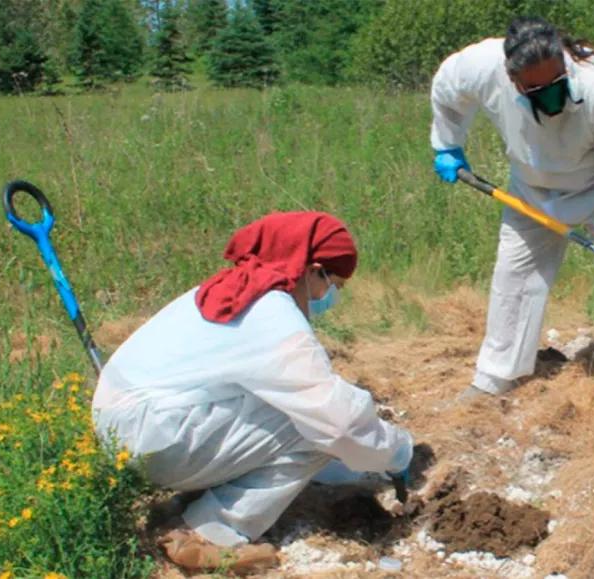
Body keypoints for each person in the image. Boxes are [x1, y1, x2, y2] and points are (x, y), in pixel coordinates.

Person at [92, 211, 414, 571]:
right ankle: (211, 531)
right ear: (313, 270)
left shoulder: (232, 291)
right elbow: (340, 421)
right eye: (334, 284)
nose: (330, 296)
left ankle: (214, 484)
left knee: (295, 404)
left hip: (126, 427)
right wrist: (397, 451)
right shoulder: (271, 315)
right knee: (313, 423)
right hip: (156, 439)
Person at [430, 16, 594, 427]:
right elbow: (447, 87)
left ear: (563, 63)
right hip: (531, 191)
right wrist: (448, 144)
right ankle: (497, 375)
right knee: (514, 279)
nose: (551, 98)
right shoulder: (481, 66)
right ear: (513, 80)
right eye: (537, 90)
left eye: (557, 84)